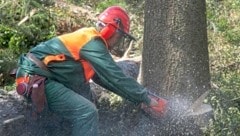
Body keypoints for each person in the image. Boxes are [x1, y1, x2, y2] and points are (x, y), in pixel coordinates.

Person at [15, 6, 167, 136]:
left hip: (51, 80)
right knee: (86, 111)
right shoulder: (92, 41)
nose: (119, 41)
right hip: (37, 78)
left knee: (85, 101)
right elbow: (115, 76)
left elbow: (106, 80)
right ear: (110, 29)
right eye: (120, 36)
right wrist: (147, 99)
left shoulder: (90, 44)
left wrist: (139, 99)